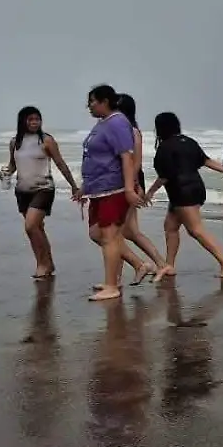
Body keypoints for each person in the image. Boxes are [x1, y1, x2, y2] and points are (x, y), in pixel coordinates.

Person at [142, 112, 223, 281]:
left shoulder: (165, 147)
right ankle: (170, 265)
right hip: (194, 188)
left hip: (182, 192)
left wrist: (150, 192)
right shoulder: (189, 141)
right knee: (170, 226)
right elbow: (206, 160)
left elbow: (165, 176)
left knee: (195, 230)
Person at [80, 84, 151, 301]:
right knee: (96, 234)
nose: (89, 106)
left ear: (105, 101)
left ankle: (112, 285)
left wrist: (130, 188)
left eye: (92, 101)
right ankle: (139, 264)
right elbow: (94, 157)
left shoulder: (118, 122)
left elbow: (127, 157)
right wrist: (84, 187)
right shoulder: (102, 123)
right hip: (97, 189)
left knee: (110, 236)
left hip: (113, 188)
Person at [1, 107, 79, 278]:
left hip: (43, 188)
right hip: (22, 190)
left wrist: (73, 185)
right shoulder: (15, 142)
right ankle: (46, 263)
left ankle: (43, 265)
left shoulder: (46, 140)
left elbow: (60, 163)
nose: (34, 122)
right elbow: (13, 165)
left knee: (30, 226)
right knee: (37, 229)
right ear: (23, 121)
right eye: (30, 119)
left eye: (37, 119)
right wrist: (6, 173)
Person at [115, 93, 166, 277]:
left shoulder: (131, 131)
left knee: (118, 232)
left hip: (128, 182)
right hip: (128, 181)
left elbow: (136, 162)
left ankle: (118, 277)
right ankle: (160, 264)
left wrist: (134, 186)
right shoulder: (126, 129)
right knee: (128, 232)